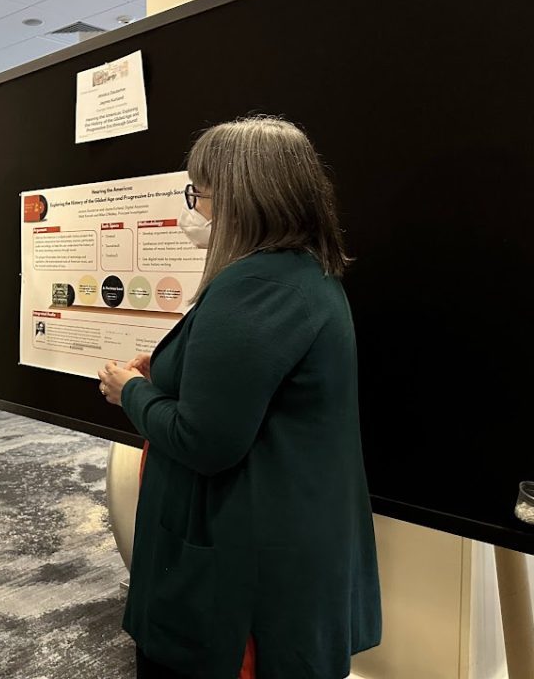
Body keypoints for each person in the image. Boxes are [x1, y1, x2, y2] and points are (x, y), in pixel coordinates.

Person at [98, 116, 381, 679]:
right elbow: (252, 378)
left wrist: (130, 392)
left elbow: (206, 441)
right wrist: (169, 368)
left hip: (240, 562)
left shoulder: (254, 285)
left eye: (198, 194)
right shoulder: (299, 273)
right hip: (280, 542)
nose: (193, 211)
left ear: (240, 196)